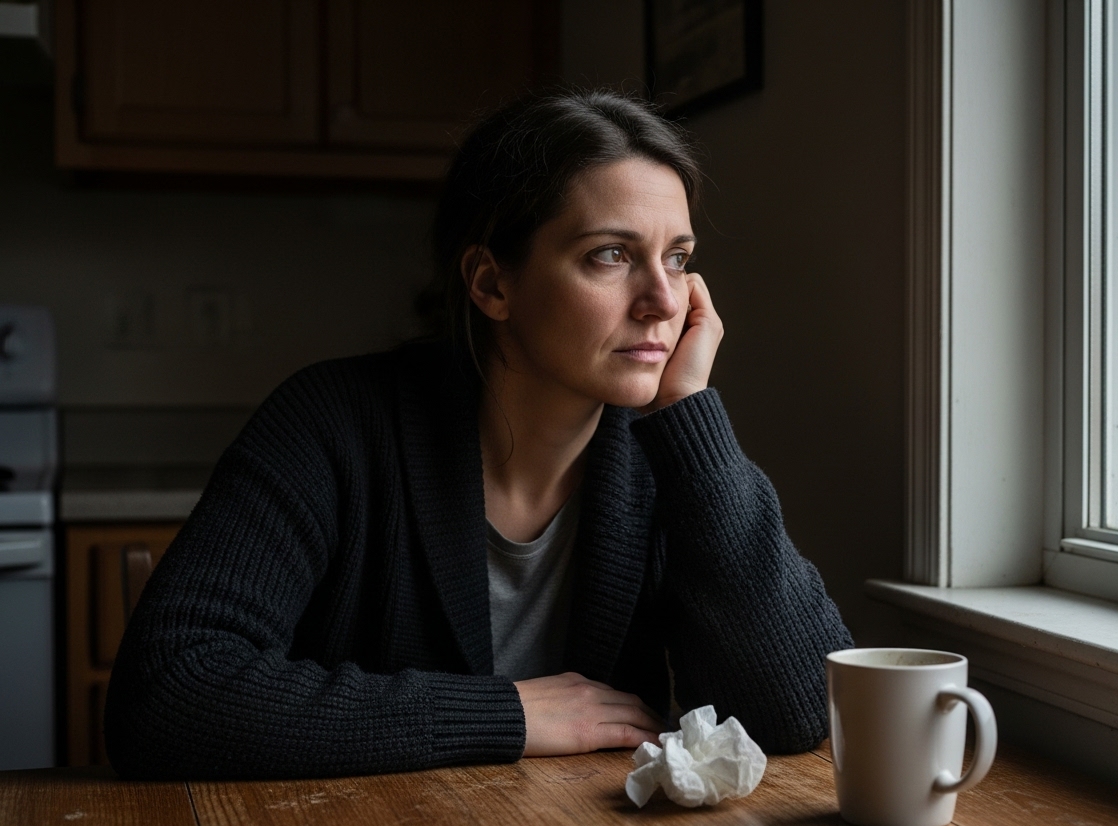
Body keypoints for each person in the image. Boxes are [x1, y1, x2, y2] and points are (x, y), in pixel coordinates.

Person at [104, 88, 854, 780]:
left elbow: (796, 713)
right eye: (610, 255)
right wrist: (508, 714)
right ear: (492, 283)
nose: (663, 300)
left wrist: (686, 413)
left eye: (679, 258)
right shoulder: (333, 423)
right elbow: (168, 693)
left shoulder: (669, 460)